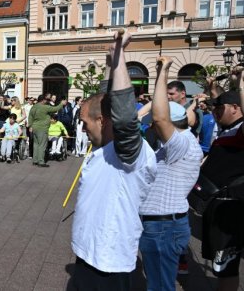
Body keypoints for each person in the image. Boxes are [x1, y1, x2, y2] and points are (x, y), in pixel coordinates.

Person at [71, 32, 156, 290]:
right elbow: (104, 102)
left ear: (102, 122)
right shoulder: (105, 147)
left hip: (107, 265)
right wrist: (109, 63)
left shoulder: (129, 153)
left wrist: (120, 58)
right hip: (88, 257)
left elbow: (123, 115)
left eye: (84, 123)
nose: (82, 128)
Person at [138, 56, 203, 291]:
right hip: (164, 224)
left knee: (160, 286)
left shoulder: (179, 144)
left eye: (156, 126)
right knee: (159, 283)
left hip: (163, 227)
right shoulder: (183, 141)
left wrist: (163, 72)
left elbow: (159, 116)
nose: (153, 128)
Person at [198, 69, 244, 291]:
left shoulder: (241, 130)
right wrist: (213, 86)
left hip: (232, 211)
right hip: (218, 208)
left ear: (237, 109)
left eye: (220, 108)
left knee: (226, 267)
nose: (214, 110)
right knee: (221, 266)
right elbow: (222, 100)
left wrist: (241, 84)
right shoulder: (227, 129)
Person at [28, 94, 64, 167]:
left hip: (34, 128)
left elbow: (30, 117)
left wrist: (30, 126)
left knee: (36, 144)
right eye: (46, 100)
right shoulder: (45, 107)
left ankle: (35, 160)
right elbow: (56, 109)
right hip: (42, 128)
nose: (47, 101)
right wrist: (61, 104)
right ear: (43, 100)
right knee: (42, 145)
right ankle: (41, 161)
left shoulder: (34, 107)